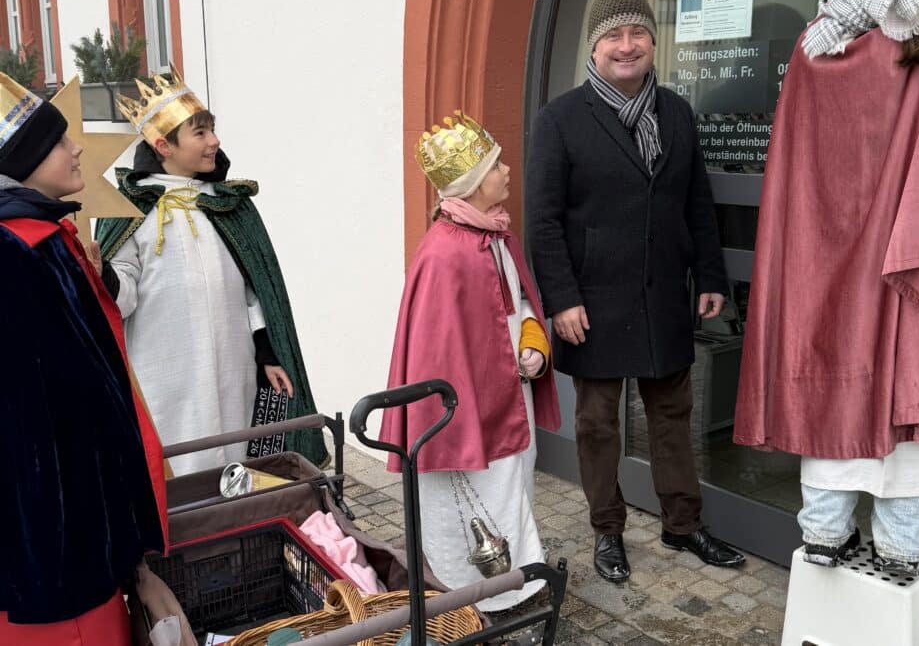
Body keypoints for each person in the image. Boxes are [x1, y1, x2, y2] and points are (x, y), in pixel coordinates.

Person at [734, 0, 919, 573]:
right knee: (913, 395)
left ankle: (824, 536)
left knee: (829, 391)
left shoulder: (816, 44)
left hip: (823, 267)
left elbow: (797, 181)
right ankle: (902, 552)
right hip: (909, 258)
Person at [526, 0, 745, 584]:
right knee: (597, 423)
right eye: (614, 36)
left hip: (663, 296)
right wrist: (561, 299)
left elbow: (697, 202)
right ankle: (608, 531)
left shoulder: (674, 111)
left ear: (653, 41)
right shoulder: (561, 120)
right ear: (595, 47)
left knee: (673, 413)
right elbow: (542, 220)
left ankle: (683, 524)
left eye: (638, 34)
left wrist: (710, 274)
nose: (627, 46)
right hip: (592, 301)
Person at [0, 71, 194, 645]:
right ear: (27, 159)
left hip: (83, 515)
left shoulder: (42, 236)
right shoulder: (14, 254)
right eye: (60, 142)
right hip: (58, 536)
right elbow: (26, 416)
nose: (77, 146)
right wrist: (76, 526)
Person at [95, 68, 327, 474]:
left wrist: (266, 354)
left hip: (233, 367)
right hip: (165, 372)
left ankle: (240, 528)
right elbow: (124, 296)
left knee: (239, 454)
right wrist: (104, 273)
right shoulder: (130, 208)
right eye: (200, 133)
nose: (214, 141)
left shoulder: (228, 203)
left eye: (212, 130)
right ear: (163, 145)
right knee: (181, 462)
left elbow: (255, 290)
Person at [380, 111, 560, 610]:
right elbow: (437, 350)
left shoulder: (496, 234)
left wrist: (532, 340)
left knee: (511, 483)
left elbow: (518, 301)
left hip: (508, 389)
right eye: (497, 165)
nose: (507, 172)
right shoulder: (444, 252)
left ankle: (515, 582)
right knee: (471, 491)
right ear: (476, 183)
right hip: (469, 405)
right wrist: (453, 420)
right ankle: (469, 595)